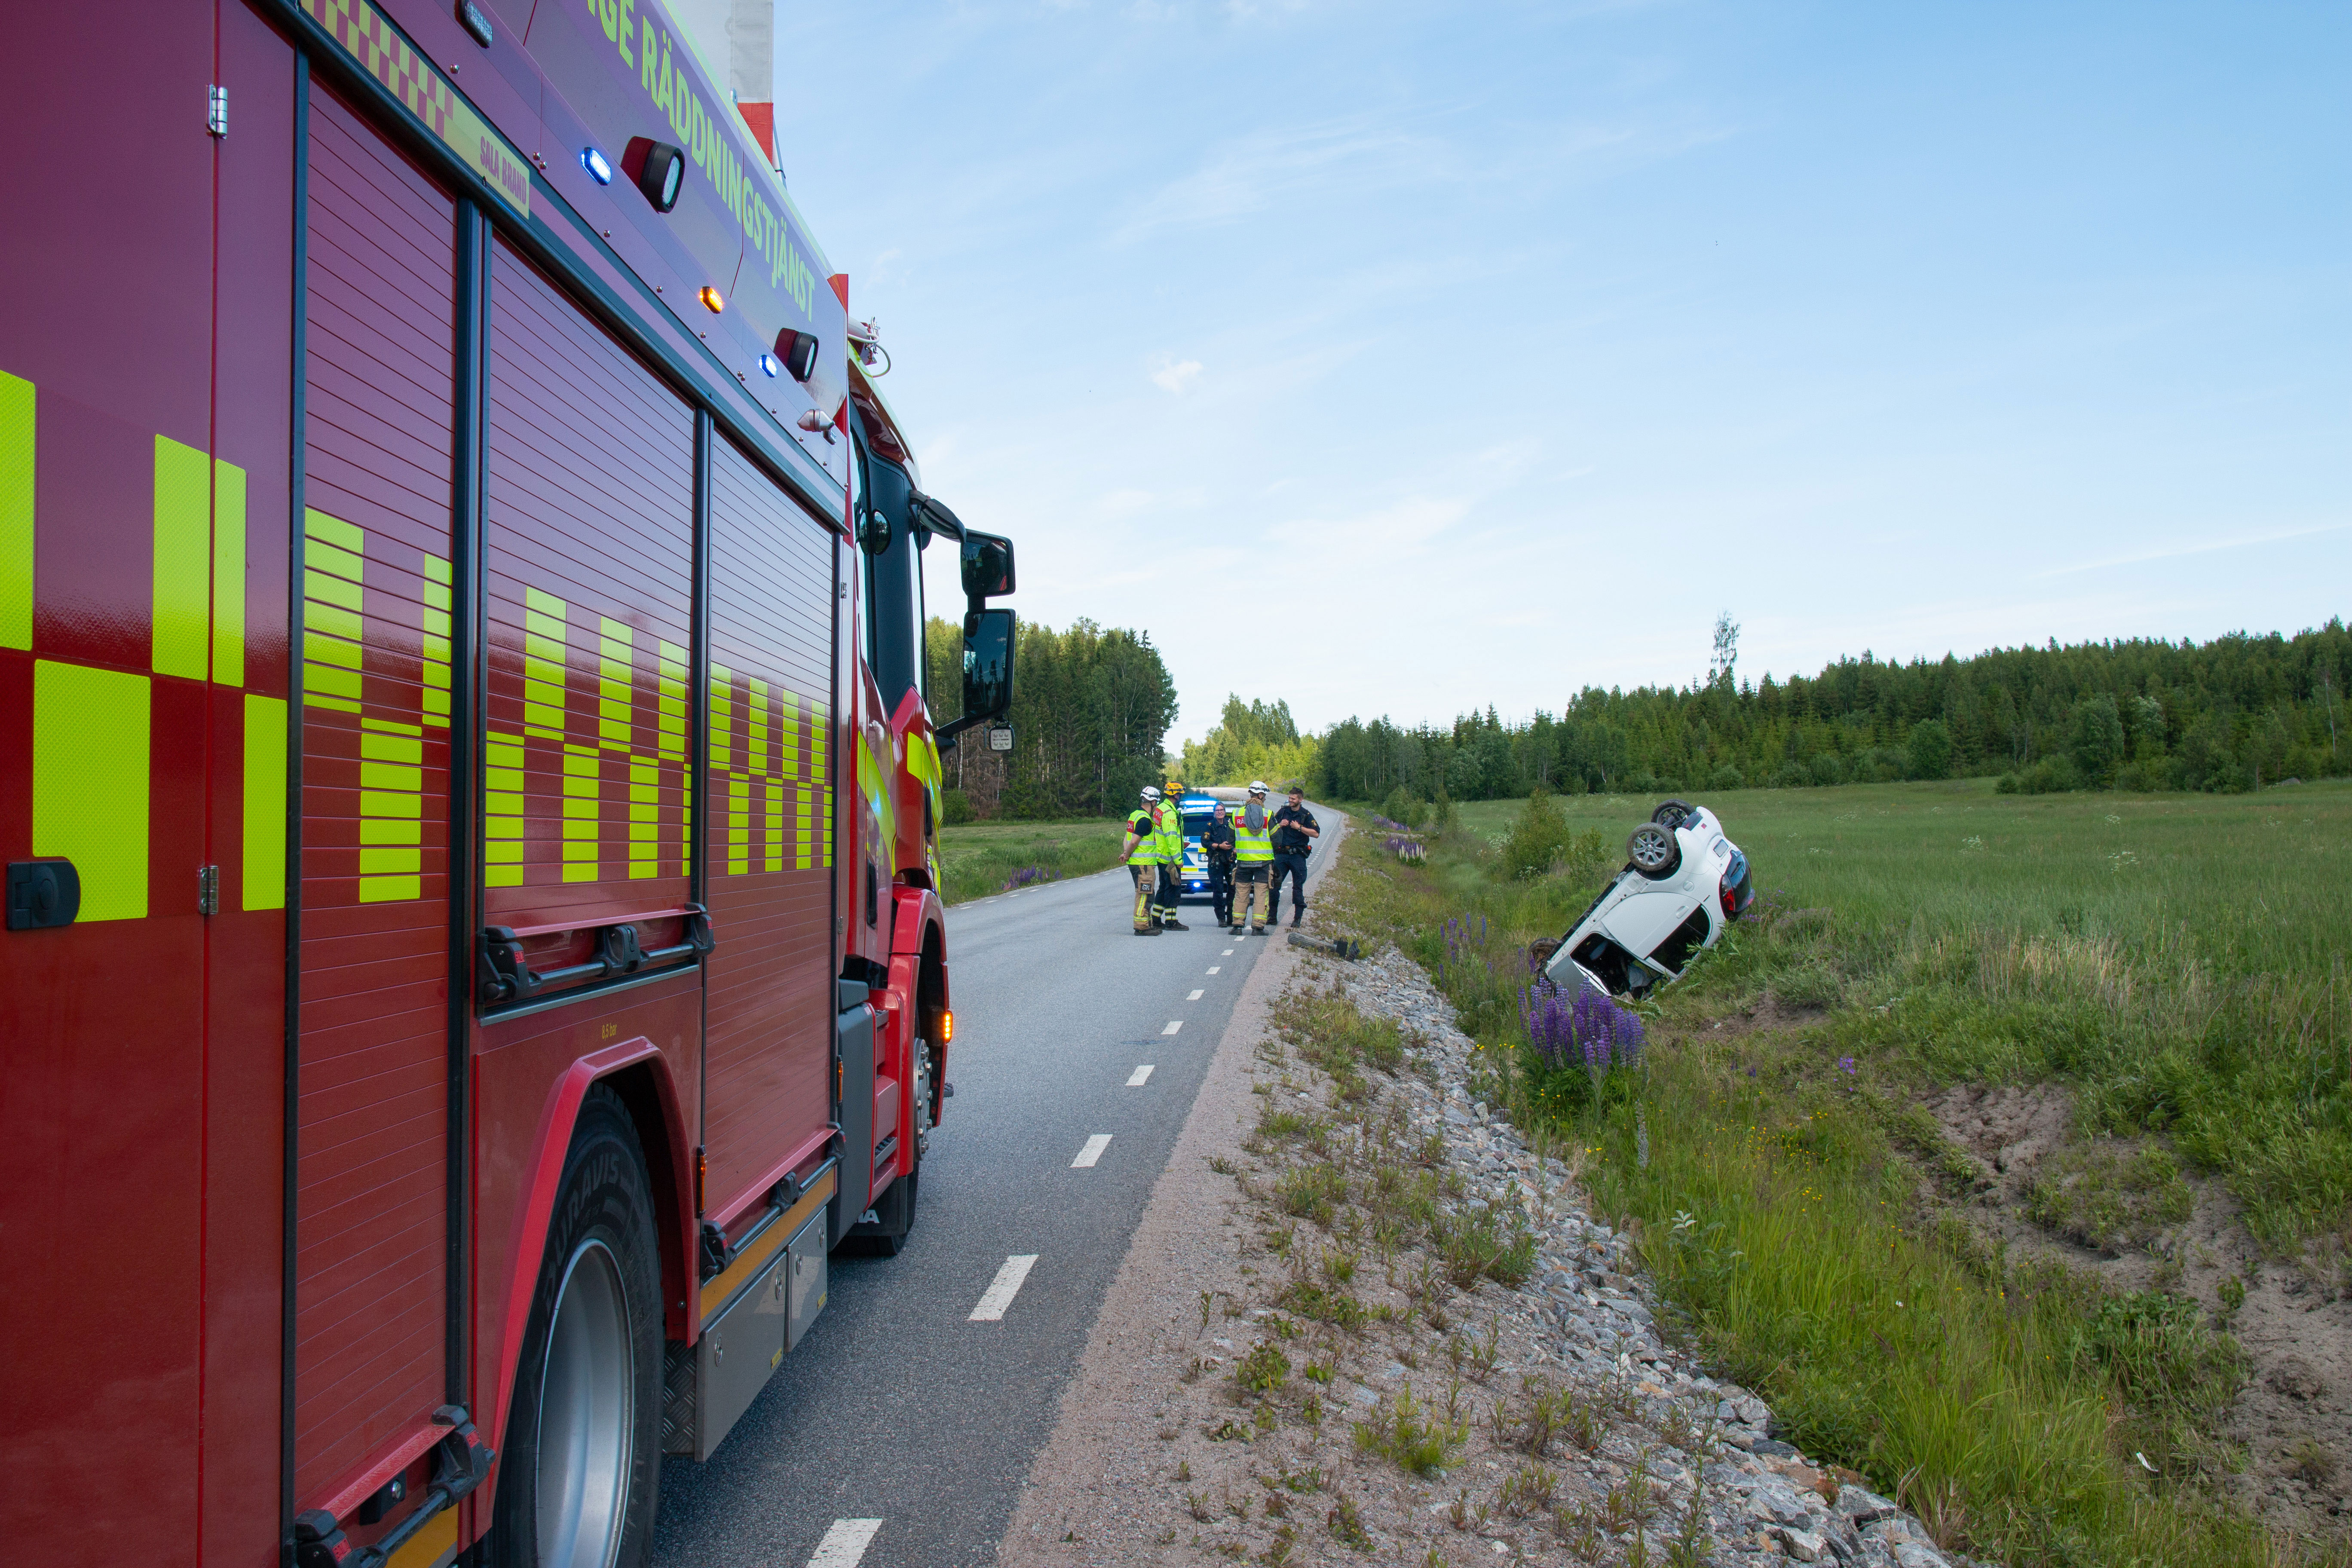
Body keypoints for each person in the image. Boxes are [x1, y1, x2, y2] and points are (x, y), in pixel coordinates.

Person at [1269, 784, 1320, 928]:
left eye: (1293, 799)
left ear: (1301, 800)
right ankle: (1272, 917)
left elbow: (1316, 833)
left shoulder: (1306, 815)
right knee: (1274, 885)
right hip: (1282, 855)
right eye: (1290, 798)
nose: (1291, 801)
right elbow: (1269, 828)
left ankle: (1297, 919)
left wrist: (1300, 828)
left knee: (1297, 887)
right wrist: (1279, 825)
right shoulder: (1283, 812)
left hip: (1298, 855)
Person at [1228, 781, 1275, 934]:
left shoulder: (1236, 814)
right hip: (1263, 862)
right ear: (1260, 795)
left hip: (1243, 862)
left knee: (1241, 893)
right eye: (1265, 796)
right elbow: (1278, 838)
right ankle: (1258, 928)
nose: (1265, 799)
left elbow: (1230, 839)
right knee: (1262, 894)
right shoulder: (1268, 815)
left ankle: (1237, 926)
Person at [1123, 785, 1165, 934]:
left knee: (1147, 894)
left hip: (1138, 864)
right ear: (1153, 802)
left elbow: (1126, 837)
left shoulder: (1134, 815)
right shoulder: (1145, 820)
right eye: (1157, 803)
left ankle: (1148, 924)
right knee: (1144, 895)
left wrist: (1125, 853)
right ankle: (1141, 928)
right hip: (1143, 865)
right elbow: (1134, 841)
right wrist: (1127, 854)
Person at [1152, 779, 1188, 930]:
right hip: (1170, 858)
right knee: (1174, 889)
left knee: (1164, 887)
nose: (1180, 797)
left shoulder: (1160, 809)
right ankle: (1171, 921)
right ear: (1175, 795)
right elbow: (1171, 837)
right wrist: (1178, 859)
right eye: (1179, 794)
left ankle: (1155, 918)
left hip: (1162, 856)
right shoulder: (1170, 814)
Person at [1201, 802, 1236, 928]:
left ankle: (1231, 916)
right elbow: (1205, 842)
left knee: (1233, 889)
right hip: (1216, 862)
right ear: (1214, 813)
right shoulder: (1210, 826)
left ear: (1225, 812)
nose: (1220, 812)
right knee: (1218, 890)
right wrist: (1219, 846)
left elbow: (1238, 838)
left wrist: (1236, 848)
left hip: (1230, 861)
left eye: (1222, 810)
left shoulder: (1231, 824)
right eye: (1217, 811)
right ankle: (1221, 918)